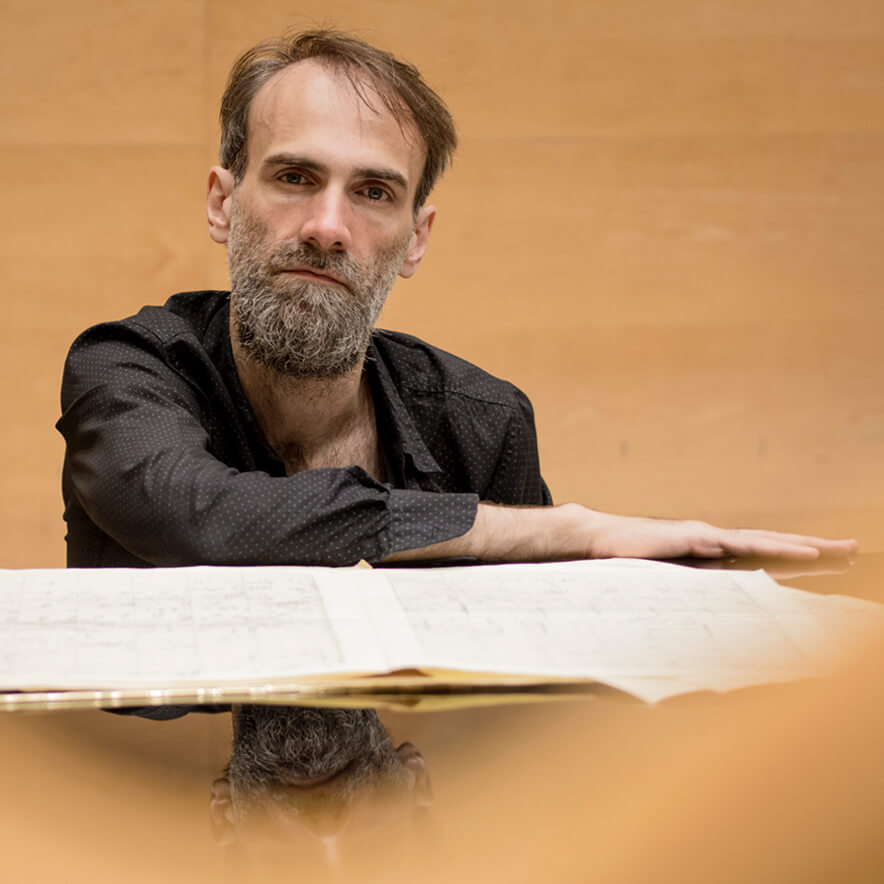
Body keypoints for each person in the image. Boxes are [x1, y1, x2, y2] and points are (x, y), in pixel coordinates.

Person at [57, 29, 856, 568]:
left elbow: (525, 685)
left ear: (415, 238)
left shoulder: (483, 423)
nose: (328, 227)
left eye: (373, 192)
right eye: (295, 177)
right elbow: (202, 516)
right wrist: (566, 530)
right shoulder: (126, 369)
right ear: (223, 203)